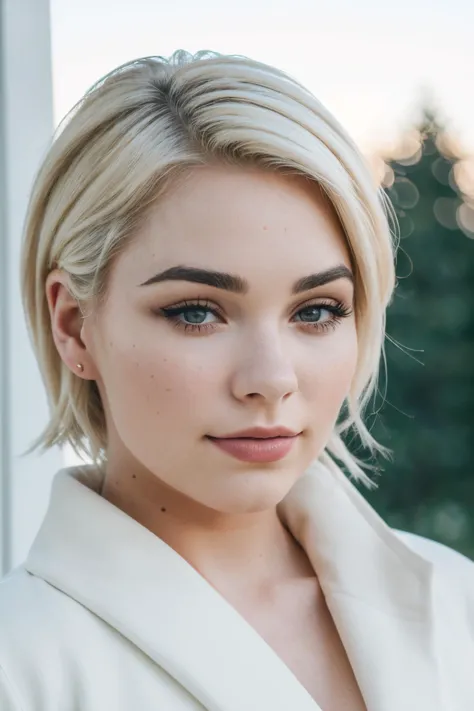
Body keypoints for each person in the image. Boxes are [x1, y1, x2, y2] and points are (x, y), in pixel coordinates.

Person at [0, 50, 472, 711]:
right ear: (75, 326)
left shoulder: (459, 603)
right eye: (197, 311)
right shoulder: (20, 667)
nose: (271, 380)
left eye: (316, 310)